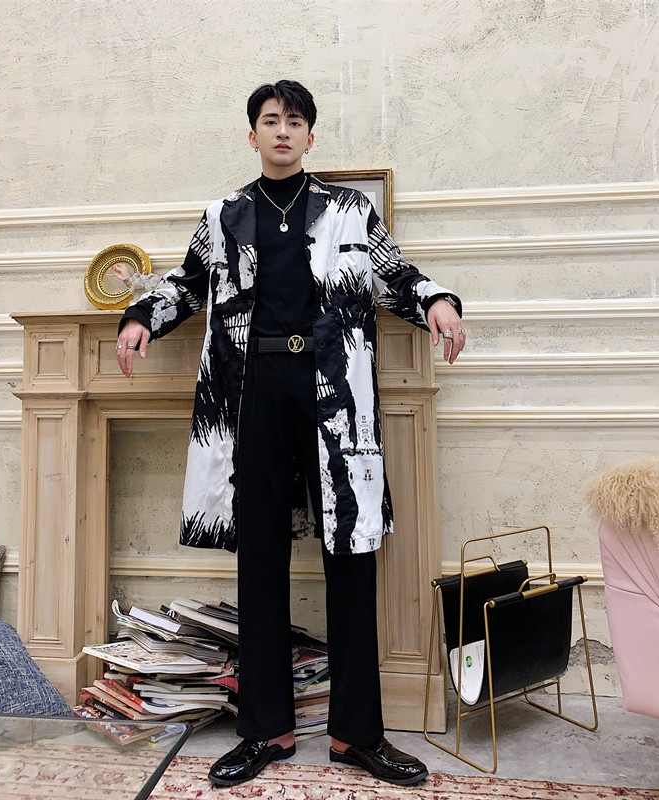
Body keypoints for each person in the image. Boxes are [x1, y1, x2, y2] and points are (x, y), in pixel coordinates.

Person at [116, 80, 465, 787]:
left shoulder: (349, 209)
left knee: (351, 553)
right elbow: (187, 283)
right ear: (253, 135)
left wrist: (437, 302)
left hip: (333, 388)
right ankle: (265, 731)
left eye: (295, 121)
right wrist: (140, 317)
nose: (283, 130)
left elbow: (394, 273)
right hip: (253, 393)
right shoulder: (224, 215)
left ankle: (357, 735)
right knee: (260, 558)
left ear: (309, 135)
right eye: (271, 120)